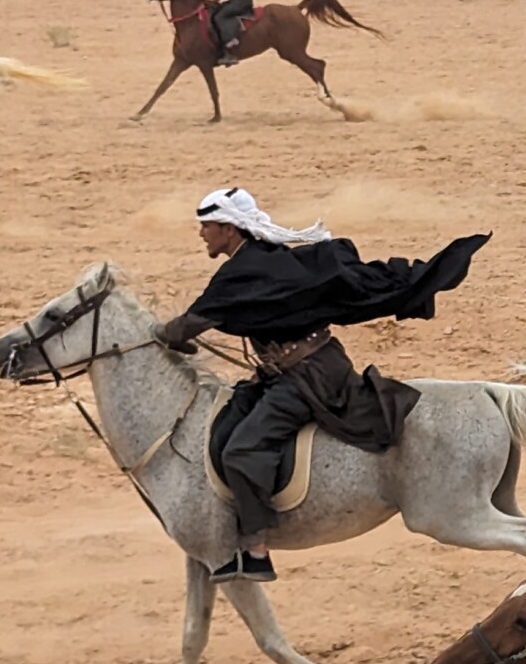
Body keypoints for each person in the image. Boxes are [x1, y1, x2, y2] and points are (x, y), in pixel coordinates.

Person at [157, 187, 490, 583]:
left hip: (309, 376)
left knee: (243, 449)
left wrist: (160, 334)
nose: (202, 234)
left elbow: (189, 324)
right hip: (298, 368)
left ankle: (257, 550)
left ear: (229, 230)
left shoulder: (240, 272)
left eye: (208, 226)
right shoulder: (264, 261)